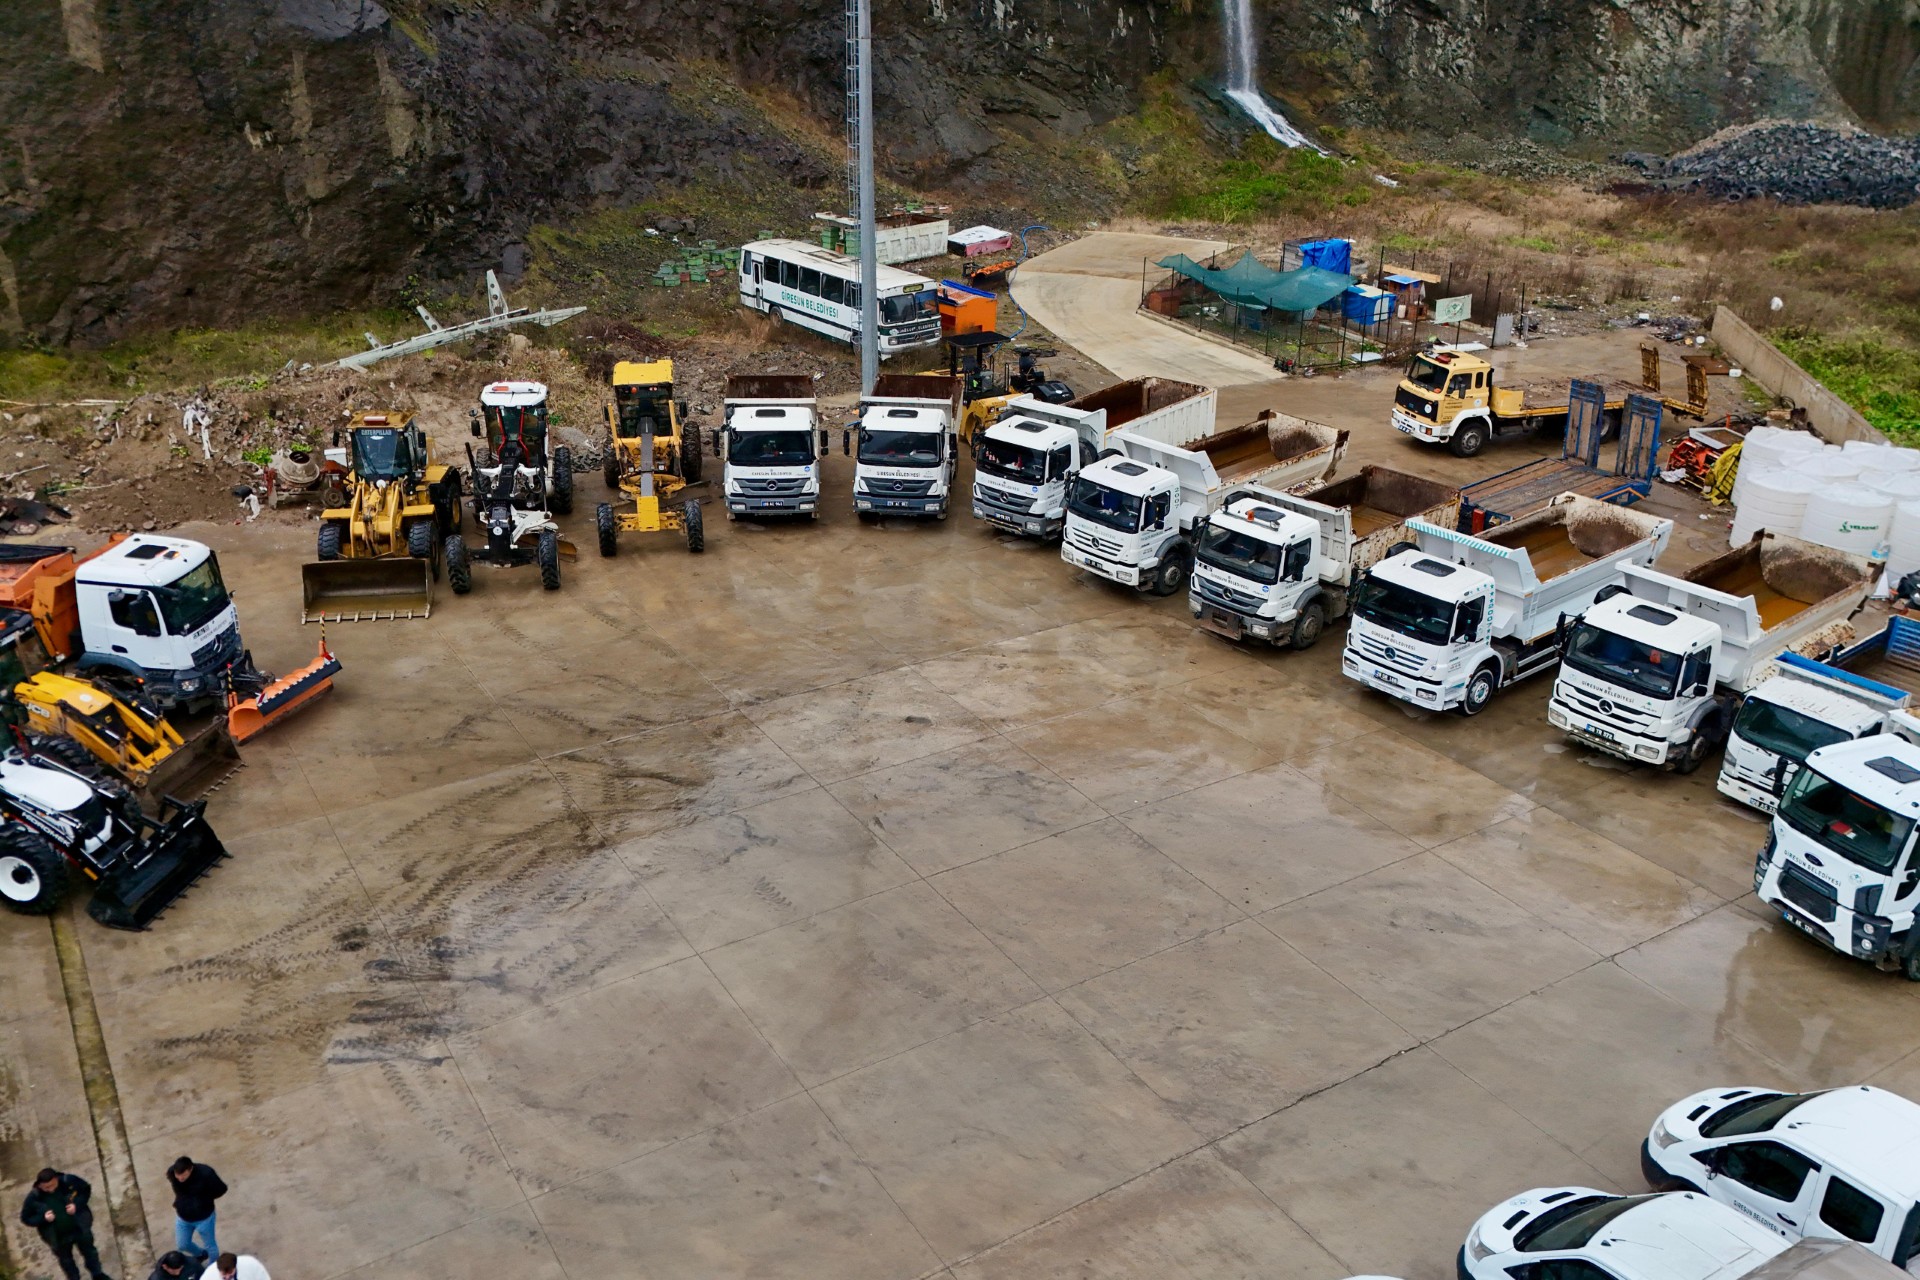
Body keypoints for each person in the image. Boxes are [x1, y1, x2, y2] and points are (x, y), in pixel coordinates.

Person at [17, 1166, 111, 1280]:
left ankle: (97, 1274)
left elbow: (85, 1190)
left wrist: (76, 1205)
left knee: (90, 1252)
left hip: (79, 1228)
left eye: (51, 1185)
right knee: (66, 1262)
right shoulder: (34, 1197)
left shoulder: (68, 1181)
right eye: (45, 1187)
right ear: (39, 1185)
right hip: (58, 1237)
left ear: (56, 1179)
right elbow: (25, 1218)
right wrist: (43, 1218)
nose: (49, 1189)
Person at [165, 1157, 227, 1266]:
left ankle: (213, 1268)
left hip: (204, 1218)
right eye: (177, 1175)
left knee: (211, 1247)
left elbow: (221, 1189)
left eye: (183, 1175)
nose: (179, 1178)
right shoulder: (172, 1173)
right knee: (182, 1244)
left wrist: (204, 1199)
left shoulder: (206, 1173)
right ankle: (200, 1254)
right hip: (183, 1217)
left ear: (190, 1169)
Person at [201, 1253, 268, 1280]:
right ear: (218, 1269)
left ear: (235, 1266)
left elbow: (263, 1277)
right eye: (224, 1274)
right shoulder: (208, 1276)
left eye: (230, 1272)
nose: (227, 1277)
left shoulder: (251, 1264)